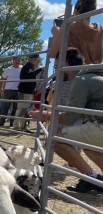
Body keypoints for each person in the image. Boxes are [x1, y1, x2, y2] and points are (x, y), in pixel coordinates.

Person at [33, 48, 103, 193]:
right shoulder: (92, 76)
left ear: (65, 63)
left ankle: (92, 179)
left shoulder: (81, 80)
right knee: (87, 143)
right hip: (98, 124)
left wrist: (43, 114)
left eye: (57, 64)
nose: (56, 68)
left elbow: (69, 119)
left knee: (55, 139)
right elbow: (80, 115)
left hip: (100, 125)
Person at [49, 0, 102, 65]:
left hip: (75, 72)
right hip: (96, 71)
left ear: (75, 11)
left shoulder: (69, 28)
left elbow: (53, 54)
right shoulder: (100, 29)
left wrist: (56, 34)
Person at [15, 54, 43, 132]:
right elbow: (30, 75)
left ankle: (23, 125)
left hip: (29, 91)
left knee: (26, 109)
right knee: (22, 108)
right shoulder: (28, 66)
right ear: (35, 59)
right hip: (25, 91)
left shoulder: (29, 66)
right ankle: (18, 125)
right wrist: (40, 70)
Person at [0, 56, 22, 133]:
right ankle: (2, 122)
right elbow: (2, 79)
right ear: (13, 61)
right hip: (8, 90)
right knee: (6, 106)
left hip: (18, 90)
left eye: (18, 60)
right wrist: (1, 88)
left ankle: (12, 122)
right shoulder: (8, 69)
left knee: (15, 107)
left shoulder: (22, 68)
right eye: (16, 60)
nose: (17, 61)